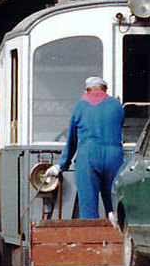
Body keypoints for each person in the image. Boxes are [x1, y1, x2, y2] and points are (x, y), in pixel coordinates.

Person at [45, 75, 124, 219]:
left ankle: (92, 237)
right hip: (114, 156)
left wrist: (62, 165)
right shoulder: (117, 105)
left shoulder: (80, 105)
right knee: (114, 205)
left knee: (88, 206)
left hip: (88, 156)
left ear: (87, 90)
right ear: (105, 89)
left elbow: (72, 140)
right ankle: (117, 236)